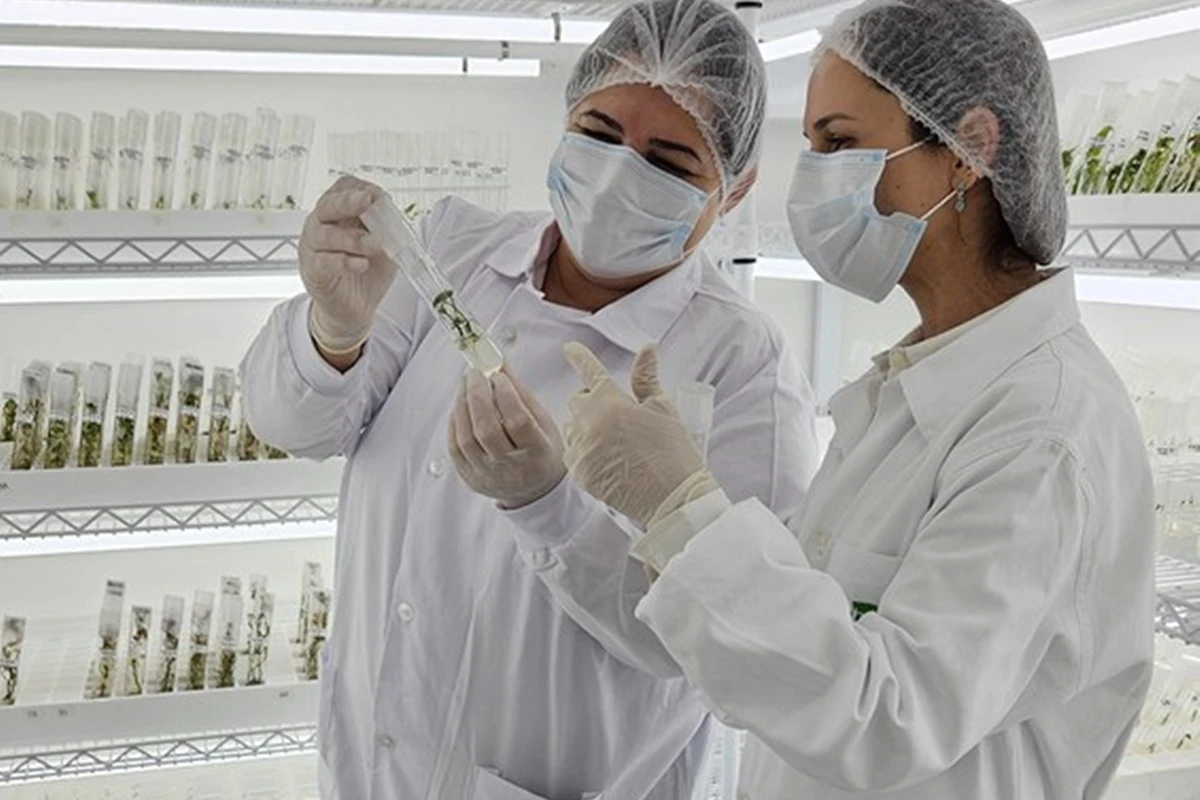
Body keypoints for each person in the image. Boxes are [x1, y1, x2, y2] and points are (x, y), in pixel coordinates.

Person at [452, 0, 1157, 798]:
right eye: (812, 145)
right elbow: (805, 658)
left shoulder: (1041, 431)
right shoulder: (916, 390)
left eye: (840, 143)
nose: (814, 177)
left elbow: (887, 720)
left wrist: (682, 512)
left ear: (969, 150)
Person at [240, 0, 818, 797]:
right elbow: (291, 426)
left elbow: (727, 644)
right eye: (599, 132)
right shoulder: (451, 248)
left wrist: (550, 507)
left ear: (737, 187)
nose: (617, 175)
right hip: (366, 770)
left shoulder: (743, 364)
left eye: (670, 162)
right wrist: (335, 329)